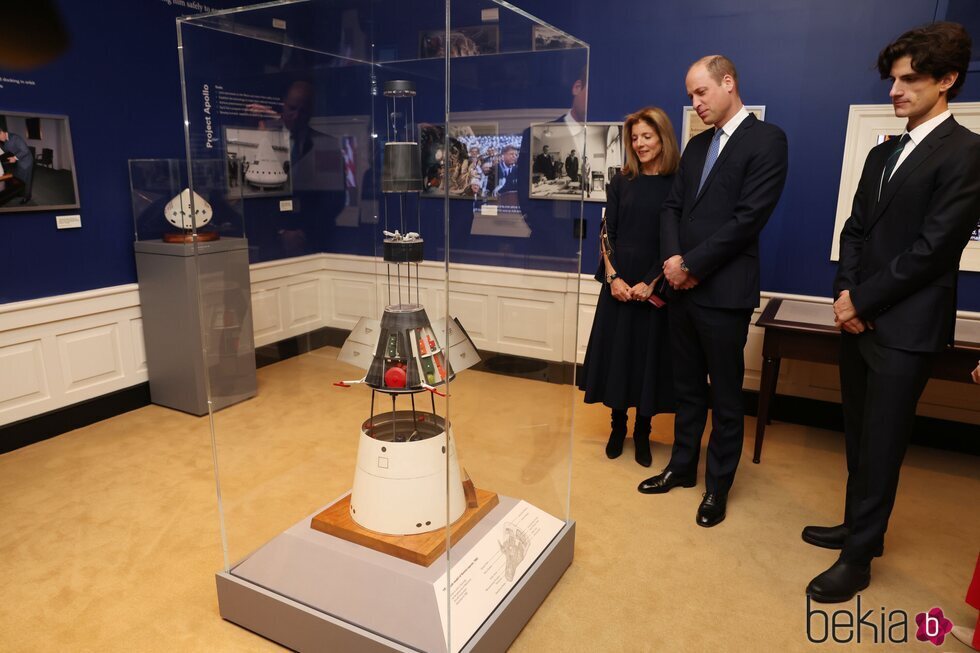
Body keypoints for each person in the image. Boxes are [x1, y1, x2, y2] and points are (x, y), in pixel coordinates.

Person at [804, 22, 980, 603]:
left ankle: (858, 560)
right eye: (893, 80)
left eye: (911, 79)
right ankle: (860, 530)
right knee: (857, 435)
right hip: (859, 317)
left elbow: (934, 250)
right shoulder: (883, 153)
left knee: (883, 444)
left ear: (947, 80)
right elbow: (855, 229)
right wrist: (844, 294)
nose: (896, 90)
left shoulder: (967, 152)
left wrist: (863, 299)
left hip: (906, 328)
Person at [638, 55, 788, 529]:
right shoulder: (697, 145)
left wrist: (692, 264)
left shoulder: (768, 140)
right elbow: (672, 208)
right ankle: (682, 468)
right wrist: (672, 262)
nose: (695, 103)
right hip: (681, 290)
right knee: (686, 389)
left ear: (728, 83)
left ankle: (717, 486)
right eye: (690, 96)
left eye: (701, 92)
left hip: (724, 293)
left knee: (724, 396)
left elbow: (749, 219)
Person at [578, 107, 680, 467]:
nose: (639, 144)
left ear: (662, 137)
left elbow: (676, 239)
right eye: (634, 138)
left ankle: (643, 432)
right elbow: (609, 232)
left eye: (647, 136)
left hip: (656, 284)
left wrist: (651, 282)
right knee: (618, 357)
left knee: (646, 360)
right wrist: (613, 278)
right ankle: (617, 427)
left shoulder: (678, 182)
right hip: (619, 283)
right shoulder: (621, 181)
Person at [0, 126, 35, 204]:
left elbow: (25, 151)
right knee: (18, 177)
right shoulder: (5, 140)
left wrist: (15, 158)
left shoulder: (15, 138)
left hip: (26, 161)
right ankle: (20, 192)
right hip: (20, 160)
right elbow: (6, 150)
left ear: (1, 132)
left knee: (26, 180)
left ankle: (27, 197)